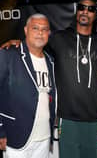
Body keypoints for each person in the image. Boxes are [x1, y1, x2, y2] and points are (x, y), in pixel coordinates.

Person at [0, 0, 97, 158]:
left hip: (92, 119)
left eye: (90, 9)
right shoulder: (59, 38)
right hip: (67, 119)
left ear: (96, 15)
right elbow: (35, 41)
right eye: (82, 7)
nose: (85, 11)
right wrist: (18, 43)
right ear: (76, 11)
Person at [0, 13, 57, 158]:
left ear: (49, 33)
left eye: (44, 29)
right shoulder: (9, 55)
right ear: (26, 30)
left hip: (44, 138)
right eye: (35, 28)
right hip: (16, 137)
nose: (40, 33)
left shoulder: (50, 61)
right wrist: (0, 130)